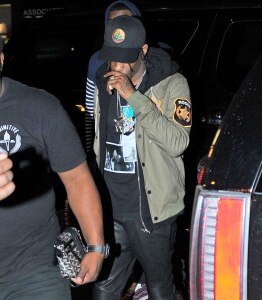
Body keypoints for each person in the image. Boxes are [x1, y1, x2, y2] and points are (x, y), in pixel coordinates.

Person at [0, 22, 106, 299]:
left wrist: (96, 246)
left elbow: (76, 178)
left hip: (32, 272)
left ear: (1, 60)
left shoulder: (39, 108)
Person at [92, 15, 191, 300]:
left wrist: (133, 96)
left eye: (125, 59)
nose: (117, 67)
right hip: (112, 210)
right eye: (112, 58)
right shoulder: (102, 82)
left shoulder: (171, 84)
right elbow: (100, 143)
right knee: (104, 288)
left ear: (143, 51)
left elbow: (177, 142)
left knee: (159, 289)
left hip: (151, 212)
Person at [84, 0, 141, 156]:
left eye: (126, 21)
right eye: (113, 23)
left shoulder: (153, 58)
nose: (119, 28)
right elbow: (91, 113)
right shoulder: (98, 60)